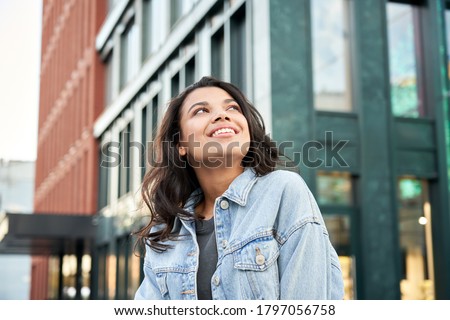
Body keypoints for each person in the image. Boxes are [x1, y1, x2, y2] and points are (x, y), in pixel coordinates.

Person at [134, 76, 344, 300]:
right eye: (201, 111)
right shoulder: (163, 232)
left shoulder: (284, 191)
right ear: (181, 145)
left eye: (232, 108)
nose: (222, 115)